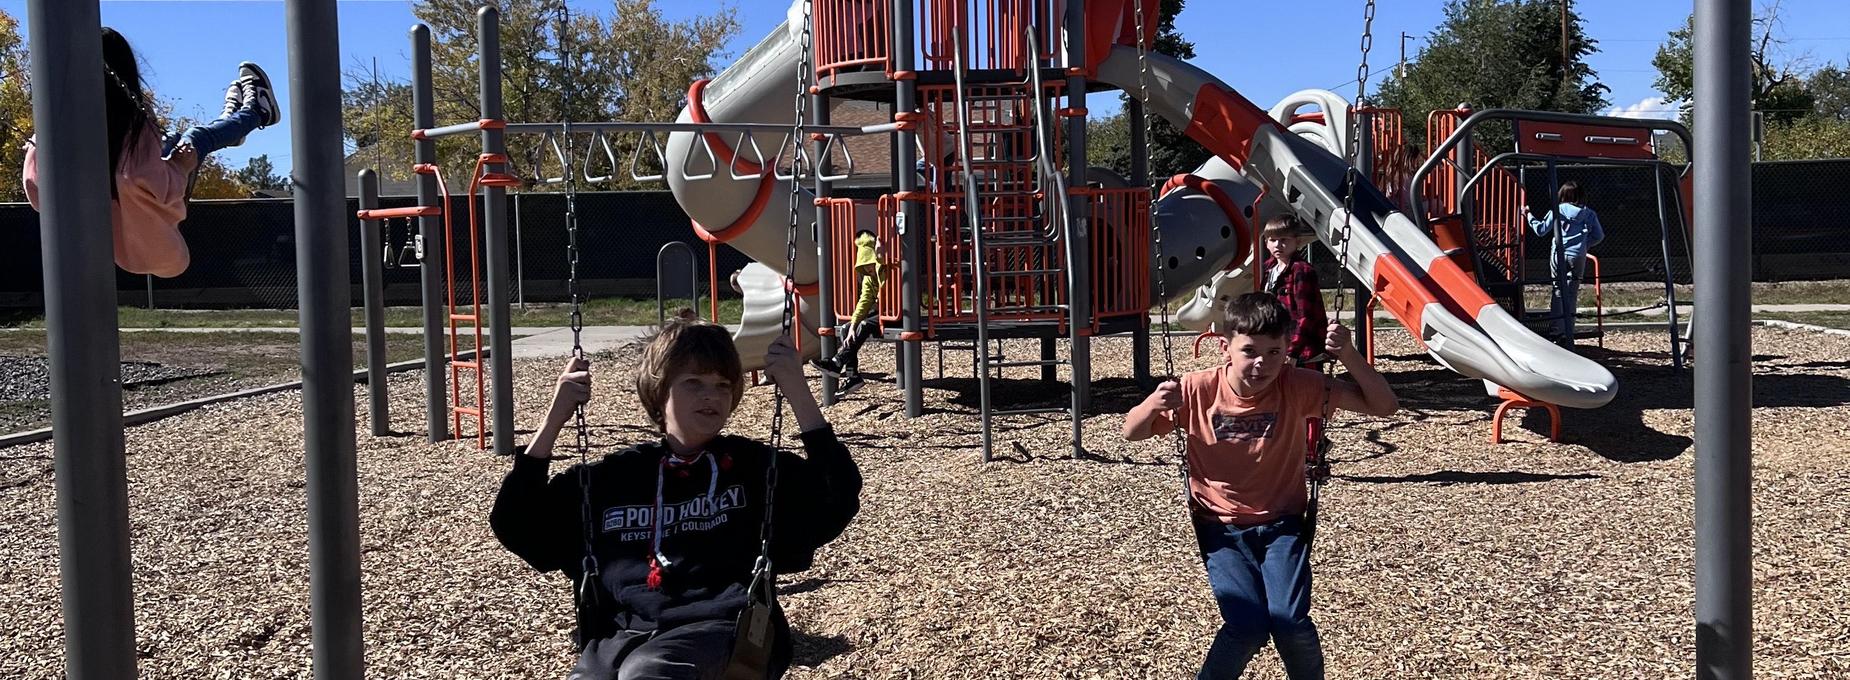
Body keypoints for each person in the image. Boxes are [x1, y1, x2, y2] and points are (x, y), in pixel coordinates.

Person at [492, 320, 862, 679]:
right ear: (659, 393)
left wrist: (798, 392)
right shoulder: (613, 478)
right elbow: (517, 522)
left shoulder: (750, 468)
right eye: (693, 383)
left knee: (649, 670)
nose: (711, 395)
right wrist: (555, 418)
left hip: (722, 628)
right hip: (623, 634)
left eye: (722, 385)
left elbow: (837, 494)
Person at [1122, 293, 1399, 680]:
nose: (1262, 363)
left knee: (1288, 620)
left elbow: (1385, 406)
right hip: (1220, 526)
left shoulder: (1298, 385)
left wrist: (1349, 355)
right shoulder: (1199, 389)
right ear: (1225, 347)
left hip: (1282, 524)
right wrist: (1153, 403)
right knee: (1247, 625)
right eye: (1250, 350)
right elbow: (1133, 432)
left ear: (1288, 348)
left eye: (1274, 351)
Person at [21, 28, 280, 278]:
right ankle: (256, 112)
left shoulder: (55, 128)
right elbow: (146, 184)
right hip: (143, 241)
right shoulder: (134, 123)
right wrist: (181, 167)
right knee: (193, 141)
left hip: (111, 232)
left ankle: (230, 123)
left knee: (183, 140)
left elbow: (35, 186)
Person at [809, 229, 885, 396]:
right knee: (846, 329)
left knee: (864, 325)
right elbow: (864, 302)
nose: (870, 270)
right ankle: (852, 376)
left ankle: (837, 362)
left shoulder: (884, 269)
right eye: (865, 268)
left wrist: (879, 257)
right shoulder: (869, 278)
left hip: (899, 313)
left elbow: (884, 267)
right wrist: (852, 326)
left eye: (870, 265)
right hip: (882, 314)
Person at [1528, 181, 1604, 342]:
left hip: (1559, 254)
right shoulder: (1589, 213)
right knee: (1572, 292)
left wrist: (1527, 214)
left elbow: (1541, 230)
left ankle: (1557, 328)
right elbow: (1599, 236)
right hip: (1579, 256)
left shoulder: (1558, 210)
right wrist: (1584, 245)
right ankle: (1569, 328)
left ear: (1562, 195)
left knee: (1558, 290)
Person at [1259, 215, 1329, 369]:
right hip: (1277, 343)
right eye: (1273, 240)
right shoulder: (1268, 269)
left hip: (1303, 350)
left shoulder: (1301, 270)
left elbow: (1306, 316)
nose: (1278, 245)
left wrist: (1293, 351)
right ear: (1266, 243)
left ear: (1297, 241)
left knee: (1304, 389)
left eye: (1284, 239)